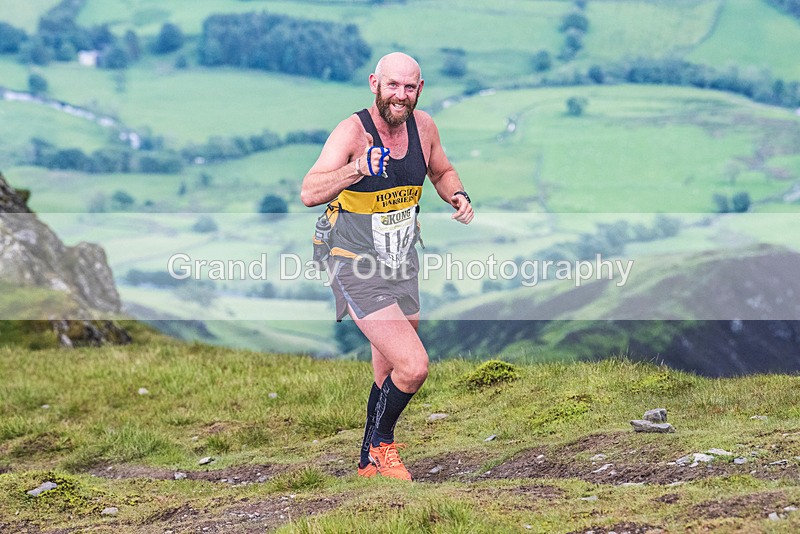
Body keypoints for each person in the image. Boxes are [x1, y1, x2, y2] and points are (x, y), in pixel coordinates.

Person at [301, 52, 473, 481]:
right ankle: (383, 446)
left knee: (388, 368)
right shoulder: (352, 132)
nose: (401, 95)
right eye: (393, 85)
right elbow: (309, 191)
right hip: (354, 264)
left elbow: (441, 170)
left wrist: (456, 194)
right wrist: (357, 167)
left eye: (410, 87)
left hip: (401, 261)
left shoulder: (425, 127)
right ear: (375, 83)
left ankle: (366, 464)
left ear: (419, 90)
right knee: (414, 366)